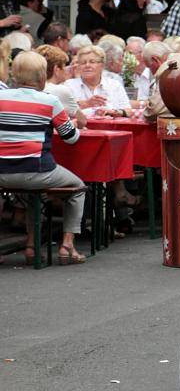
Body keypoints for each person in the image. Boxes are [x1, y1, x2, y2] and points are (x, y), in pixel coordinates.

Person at [0, 52, 86, 265]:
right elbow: (71, 139)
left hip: (1, 172)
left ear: (15, 74)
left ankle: (31, 245)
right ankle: (67, 245)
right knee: (78, 187)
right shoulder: (50, 101)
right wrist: (74, 125)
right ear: (41, 76)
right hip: (37, 171)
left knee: (30, 196)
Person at [64, 45, 131, 117]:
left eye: (92, 62)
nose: (87, 65)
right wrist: (85, 104)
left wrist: (114, 112)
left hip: (110, 127)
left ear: (102, 65)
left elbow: (129, 111)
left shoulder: (114, 85)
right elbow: (61, 111)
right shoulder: (69, 85)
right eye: (83, 63)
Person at [35, 44, 87, 128]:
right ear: (56, 69)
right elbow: (82, 121)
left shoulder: (28, 86)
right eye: (64, 66)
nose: (66, 69)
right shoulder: (60, 90)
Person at [124, 36, 152, 101]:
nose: (125, 58)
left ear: (142, 54)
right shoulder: (125, 75)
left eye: (130, 54)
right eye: (125, 54)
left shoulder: (153, 74)